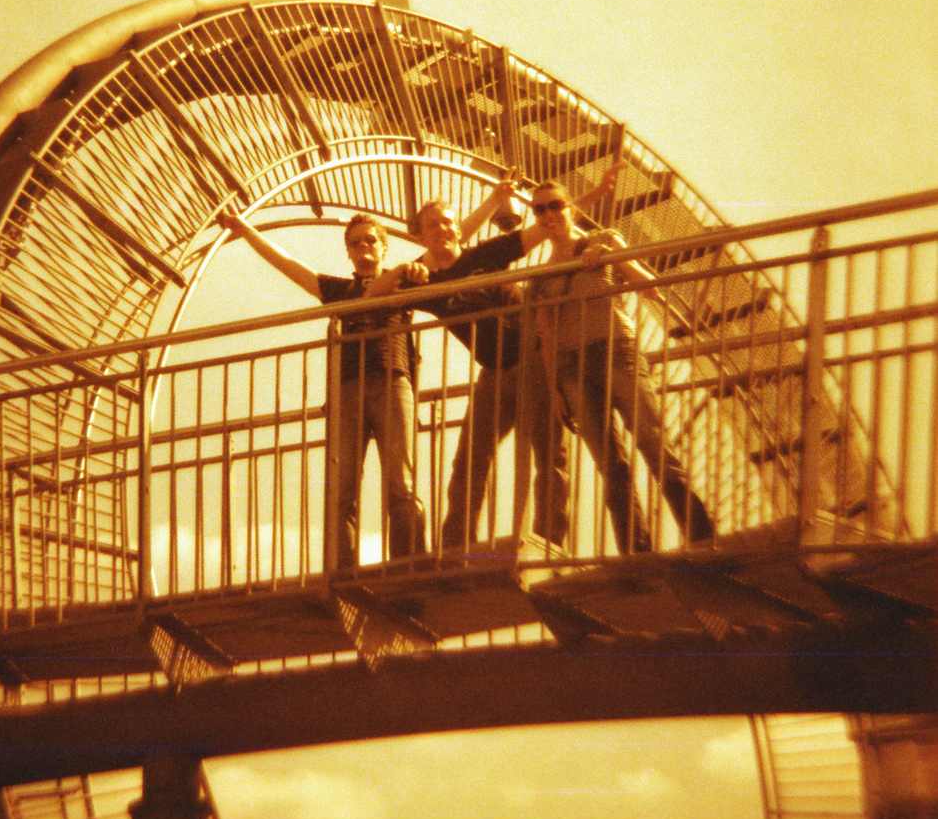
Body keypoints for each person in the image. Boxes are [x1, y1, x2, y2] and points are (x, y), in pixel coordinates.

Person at [215, 209, 428, 568]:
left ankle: (410, 569)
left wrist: (418, 268)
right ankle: (344, 574)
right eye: (355, 242)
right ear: (348, 252)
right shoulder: (339, 290)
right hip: (346, 392)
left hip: (391, 381)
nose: (363, 246)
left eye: (370, 240)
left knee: (401, 487)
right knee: (342, 491)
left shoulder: (401, 280)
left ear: (384, 247)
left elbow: (447, 251)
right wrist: (243, 228)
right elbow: (286, 263)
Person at [527, 180, 715, 551]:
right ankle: (636, 553)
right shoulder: (541, 275)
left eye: (555, 205)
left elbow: (649, 287)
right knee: (611, 468)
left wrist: (612, 258)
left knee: (652, 441)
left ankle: (703, 538)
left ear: (571, 207)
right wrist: (554, 391)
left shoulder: (604, 239)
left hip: (615, 350)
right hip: (571, 368)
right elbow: (546, 336)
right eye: (539, 209)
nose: (549, 214)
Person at [399, 178, 568, 551]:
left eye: (447, 221)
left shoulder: (485, 255)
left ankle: (548, 543)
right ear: (421, 237)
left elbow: (546, 227)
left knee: (549, 454)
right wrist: (402, 273)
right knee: (469, 462)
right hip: (493, 371)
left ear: (459, 227)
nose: (442, 229)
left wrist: (501, 200)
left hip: (535, 360)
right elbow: (375, 293)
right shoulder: (426, 281)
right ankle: (455, 548)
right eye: (432, 225)